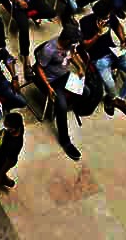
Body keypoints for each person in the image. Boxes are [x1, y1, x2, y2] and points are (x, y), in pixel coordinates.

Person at [34, 25, 89, 160]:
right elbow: (38, 67)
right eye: (73, 42)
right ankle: (65, 141)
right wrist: (48, 87)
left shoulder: (69, 45)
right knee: (62, 106)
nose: (74, 44)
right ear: (65, 40)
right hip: (52, 81)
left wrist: (79, 67)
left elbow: (72, 55)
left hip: (64, 75)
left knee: (86, 92)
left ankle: (64, 105)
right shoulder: (49, 49)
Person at [79, 2, 126, 116]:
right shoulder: (85, 22)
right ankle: (112, 100)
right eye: (105, 17)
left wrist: (122, 40)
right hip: (98, 58)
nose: (108, 18)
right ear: (98, 16)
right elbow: (84, 46)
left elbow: (118, 26)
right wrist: (98, 33)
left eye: (108, 16)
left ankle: (119, 99)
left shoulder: (110, 16)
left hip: (113, 52)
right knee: (110, 84)